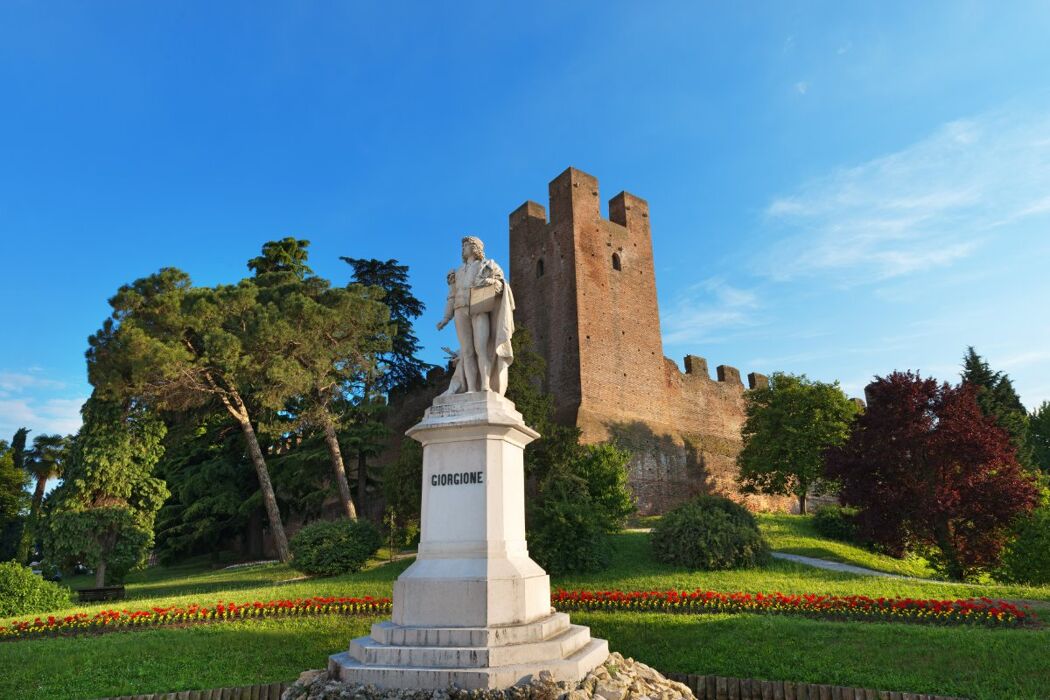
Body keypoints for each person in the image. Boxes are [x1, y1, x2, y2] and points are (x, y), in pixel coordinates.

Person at [436, 236, 515, 395]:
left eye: (466, 245)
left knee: (481, 348)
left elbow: (501, 286)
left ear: (474, 247)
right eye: (463, 246)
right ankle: (471, 389)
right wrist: (446, 317)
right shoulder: (457, 272)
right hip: (460, 310)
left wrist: (492, 282)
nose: (463, 249)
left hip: (479, 308)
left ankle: (485, 385)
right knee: (467, 351)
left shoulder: (487, 266)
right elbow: (452, 296)